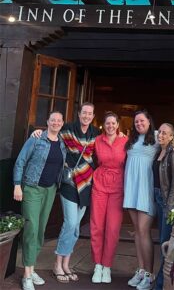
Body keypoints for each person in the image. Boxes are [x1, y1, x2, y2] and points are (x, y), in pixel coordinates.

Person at [32, 102, 100, 283]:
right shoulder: (68, 128)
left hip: (86, 184)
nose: (86, 116)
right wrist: (39, 132)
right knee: (70, 223)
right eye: (84, 112)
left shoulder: (96, 134)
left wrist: (122, 135)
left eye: (90, 113)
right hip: (69, 183)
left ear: (93, 116)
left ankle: (66, 264)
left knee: (76, 227)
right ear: (79, 114)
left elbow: (111, 143)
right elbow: (52, 132)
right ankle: (57, 264)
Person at [123, 110, 174, 290]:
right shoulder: (131, 140)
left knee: (144, 231)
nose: (139, 124)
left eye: (142, 121)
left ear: (149, 122)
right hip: (131, 189)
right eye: (136, 122)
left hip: (146, 190)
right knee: (137, 231)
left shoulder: (158, 136)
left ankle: (149, 275)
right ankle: (141, 270)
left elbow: (172, 145)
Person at [13, 111, 66, 290]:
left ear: (62, 123)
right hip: (32, 188)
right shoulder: (36, 139)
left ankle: (31, 268)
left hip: (50, 190)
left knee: (40, 230)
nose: (56, 123)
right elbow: (20, 161)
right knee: (31, 228)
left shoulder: (62, 144)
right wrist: (17, 185)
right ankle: (27, 275)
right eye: (53, 120)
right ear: (47, 121)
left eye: (59, 120)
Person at [90, 112, 128, 284]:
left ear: (117, 124)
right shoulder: (97, 140)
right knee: (97, 226)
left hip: (117, 187)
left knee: (112, 229)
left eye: (113, 123)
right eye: (107, 123)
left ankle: (107, 266)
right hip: (99, 185)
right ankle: (97, 264)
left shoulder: (126, 141)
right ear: (103, 125)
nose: (110, 126)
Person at [153, 123, 174, 290]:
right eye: (159, 132)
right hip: (161, 200)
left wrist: (170, 209)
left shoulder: (173, 154)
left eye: (164, 133)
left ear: (172, 136)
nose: (160, 135)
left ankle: (161, 285)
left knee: (166, 245)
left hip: (170, 202)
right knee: (163, 243)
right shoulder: (159, 150)